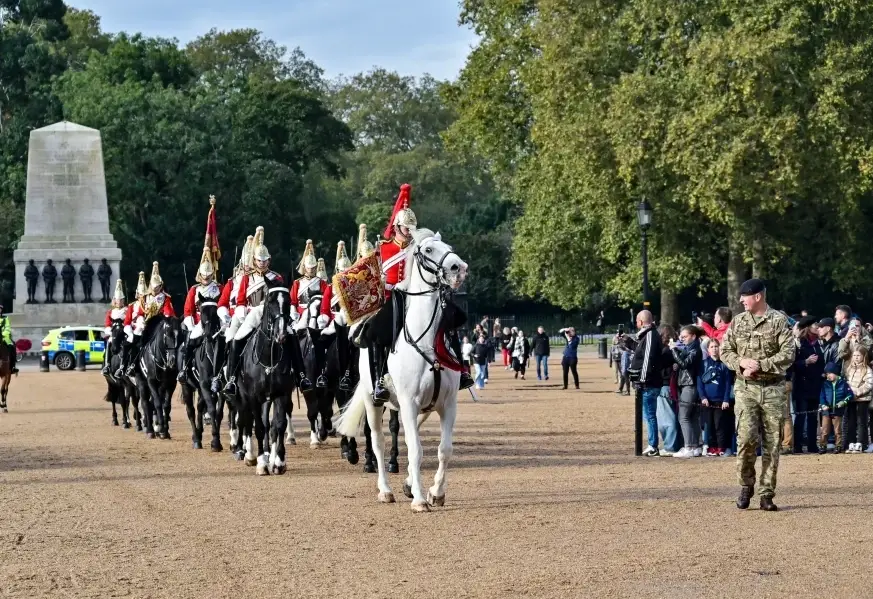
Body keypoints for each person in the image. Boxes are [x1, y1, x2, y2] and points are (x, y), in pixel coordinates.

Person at [720, 278, 794, 512]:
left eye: (745, 296)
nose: (741, 300)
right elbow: (724, 350)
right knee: (745, 440)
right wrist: (741, 362)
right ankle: (746, 485)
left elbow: (789, 353)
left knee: (772, 444)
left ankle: (766, 493)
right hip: (745, 389)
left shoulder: (779, 320)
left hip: (773, 389)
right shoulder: (738, 322)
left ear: (758, 296)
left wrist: (759, 365)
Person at [178, 245, 221, 384]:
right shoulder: (194, 290)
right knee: (190, 341)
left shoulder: (219, 288)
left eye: (209, 275)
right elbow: (188, 310)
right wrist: (191, 325)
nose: (206, 278)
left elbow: (223, 306)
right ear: (200, 274)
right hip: (198, 322)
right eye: (204, 275)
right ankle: (184, 368)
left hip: (215, 323)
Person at [630, 310, 662, 457]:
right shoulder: (646, 336)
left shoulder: (650, 335)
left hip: (648, 383)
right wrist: (627, 342)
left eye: (637, 321)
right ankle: (652, 444)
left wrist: (642, 380)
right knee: (647, 415)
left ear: (641, 322)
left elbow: (648, 359)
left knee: (650, 415)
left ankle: (653, 445)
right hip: (647, 383)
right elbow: (639, 353)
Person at [670, 325, 703, 459]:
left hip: (689, 385)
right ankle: (695, 446)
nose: (682, 339)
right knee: (692, 417)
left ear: (693, 336)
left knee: (683, 416)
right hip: (688, 384)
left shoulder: (695, 349)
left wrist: (674, 351)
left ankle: (689, 446)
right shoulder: (690, 348)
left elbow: (684, 364)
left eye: (685, 336)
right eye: (681, 337)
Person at [792, 316, 824, 454]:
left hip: (815, 384)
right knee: (801, 415)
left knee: (813, 417)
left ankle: (812, 445)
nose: (817, 327)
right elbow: (791, 365)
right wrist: (805, 362)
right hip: (802, 385)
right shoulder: (799, 344)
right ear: (808, 328)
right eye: (814, 325)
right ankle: (797, 445)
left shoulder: (818, 344)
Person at [697, 338, 734, 457]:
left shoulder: (724, 365)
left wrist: (725, 399)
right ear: (708, 349)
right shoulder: (703, 364)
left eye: (716, 346)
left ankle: (721, 447)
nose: (714, 349)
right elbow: (700, 383)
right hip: (707, 400)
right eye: (712, 347)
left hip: (720, 400)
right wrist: (703, 397)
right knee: (710, 425)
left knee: (720, 424)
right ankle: (711, 447)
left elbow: (728, 384)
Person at [843, 347, 872, 453]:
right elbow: (846, 383)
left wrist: (857, 392)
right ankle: (851, 442)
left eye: (858, 355)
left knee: (861, 422)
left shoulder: (867, 369)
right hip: (851, 400)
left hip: (862, 399)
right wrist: (848, 393)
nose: (856, 358)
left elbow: (869, 385)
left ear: (863, 357)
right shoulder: (849, 369)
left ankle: (861, 443)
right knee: (851, 421)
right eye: (854, 355)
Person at [819, 362, 852, 453]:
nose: (828, 376)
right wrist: (823, 404)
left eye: (829, 373)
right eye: (826, 374)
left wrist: (843, 402)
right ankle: (822, 445)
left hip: (837, 411)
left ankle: (838, 446)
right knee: (825, 430)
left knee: (838, 430)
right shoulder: (825, 384)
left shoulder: (843, 383)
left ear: (835, 373)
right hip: (826, 411)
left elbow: (850, 395)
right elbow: (822, 396)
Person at [101, 280, 127, 376]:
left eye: (121, 300)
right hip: (114, 333)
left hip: (124, 332)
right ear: (114, 300)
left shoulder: (127, 310)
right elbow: (107, 324)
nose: (119, 301)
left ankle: (125, 365)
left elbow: (129, 321)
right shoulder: (110, 312)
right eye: (117, 299)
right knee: (109, 342)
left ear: (123, 300)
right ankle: (107, 365)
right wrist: (110, 331)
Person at [0, 305, 18, 375]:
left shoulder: (5, 318)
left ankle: (12, 366)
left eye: (0, 309)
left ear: (1, 310)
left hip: (4, 337)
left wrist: (3, 334)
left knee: (12, 346)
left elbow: (7, 328)